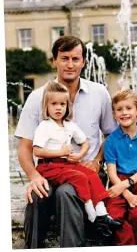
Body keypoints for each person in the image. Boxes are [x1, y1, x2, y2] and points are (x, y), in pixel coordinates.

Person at [14, 35, 118, 248]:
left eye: (75, 59)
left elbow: (112, 135)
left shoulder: (99, 94)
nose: (70, 64)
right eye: (64, 58)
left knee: (66, 193)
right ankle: (32, 248)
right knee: (37, 193)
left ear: (84, 62)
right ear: (54, 61)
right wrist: (33, 176)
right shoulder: (37, 97)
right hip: (50, 170)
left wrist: (97, 160)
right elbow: (25, 147)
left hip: (86, 171)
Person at [34, 81, 121, 228]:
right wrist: (60, 152)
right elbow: (37, 151)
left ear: (67, 106)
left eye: (62, 104)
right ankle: (92, 216)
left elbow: (85, 143)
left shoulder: (69, 125)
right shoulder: (45, 126)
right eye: (54, 104)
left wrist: (80, 155)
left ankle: (102, 213)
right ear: (46, 107)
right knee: (80, 177)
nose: (58, 108)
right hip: (49, 167)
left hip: (66, 164)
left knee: (91, 174)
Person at [104, 89, 137, 245]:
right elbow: (112, 173)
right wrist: (127, 194)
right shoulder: (111, 141)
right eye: (119, 109)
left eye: (129, 108)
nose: (124, 113)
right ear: (114, 114)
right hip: (118, 182)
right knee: (113, 216)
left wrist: (126, 185)